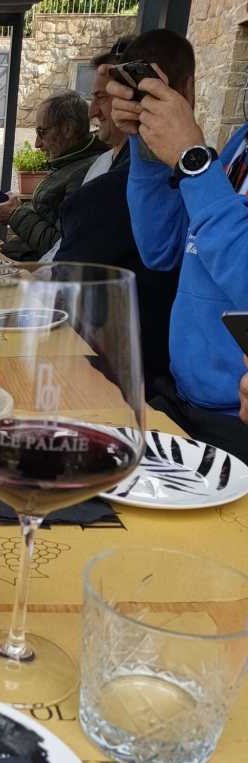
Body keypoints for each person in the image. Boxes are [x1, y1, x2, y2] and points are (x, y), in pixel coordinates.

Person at [108, 28, 248, 460]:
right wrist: (148, 148)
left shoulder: (210, 158)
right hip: (184, 404)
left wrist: (193, 159)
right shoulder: (241, 143)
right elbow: (161, 248)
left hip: (234, 426)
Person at [54, 34, 186, 394]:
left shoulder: (113, 190)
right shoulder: (108, 164)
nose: (92, 111)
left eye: (102, 97)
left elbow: (61, 283)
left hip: (129, 376)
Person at [0, 90, 106, 261]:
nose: (37, 144)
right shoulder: (69, 162)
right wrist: (20, 207)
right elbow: (47, 216)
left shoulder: (84, 174)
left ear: (67, 129)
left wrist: (15, 214)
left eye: (42, 132)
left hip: (36, 271)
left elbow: (60, 246)